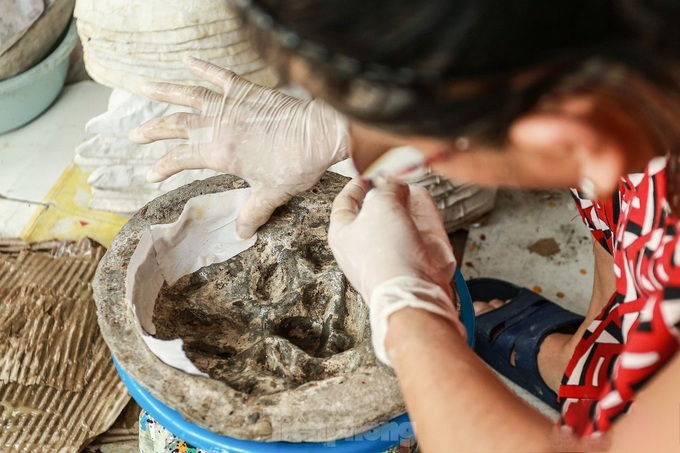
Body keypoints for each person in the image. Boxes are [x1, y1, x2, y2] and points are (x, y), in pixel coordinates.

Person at [128, 1, 680, 451]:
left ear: (569, 135)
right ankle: (587, 365)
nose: (383, 158)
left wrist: (409, 310)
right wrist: (347, 117)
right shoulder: (627, 53)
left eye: (410, 149)